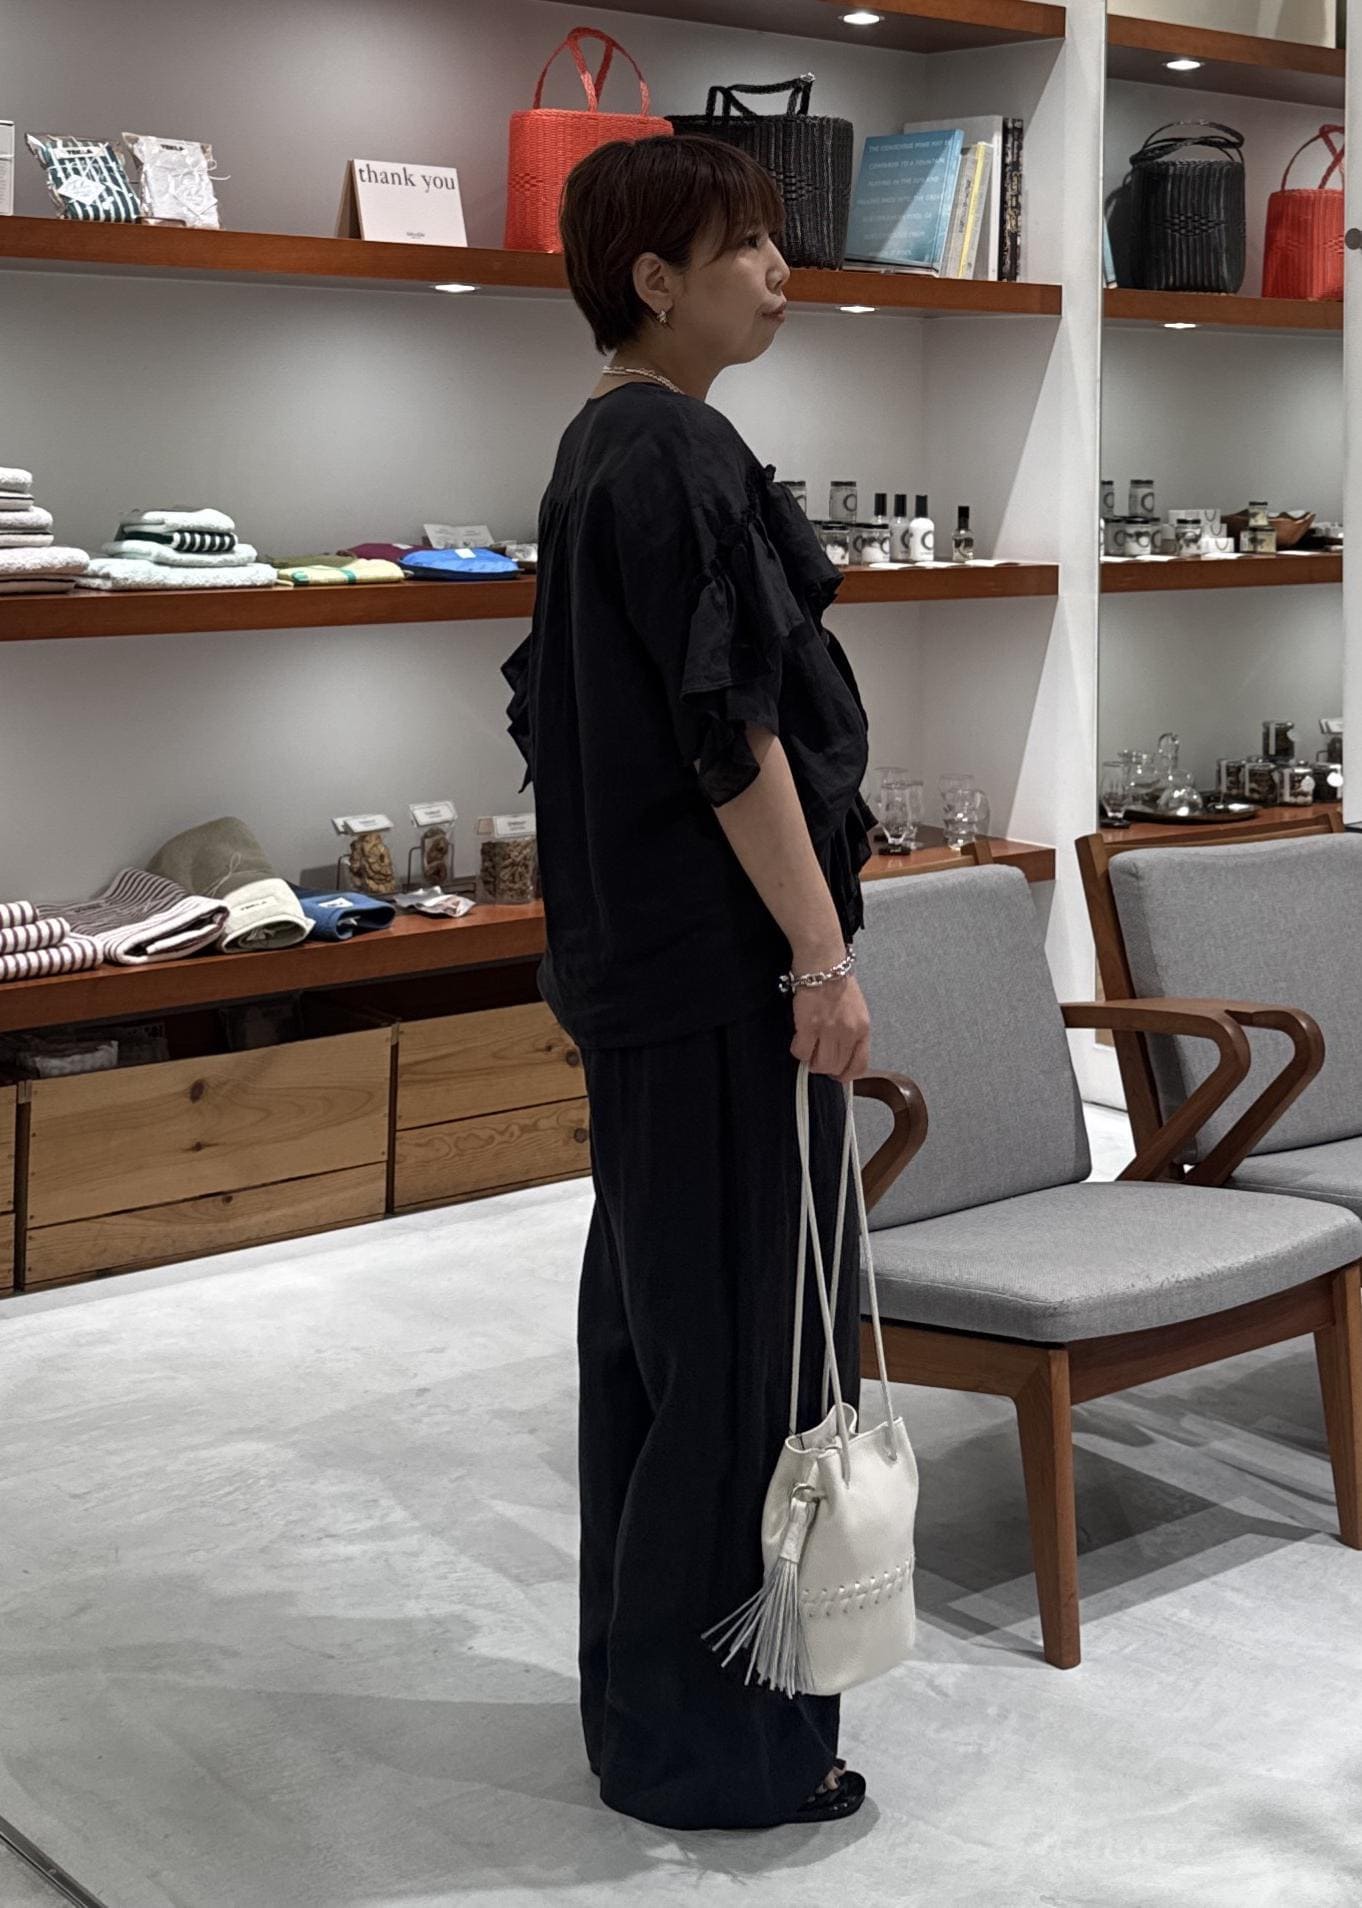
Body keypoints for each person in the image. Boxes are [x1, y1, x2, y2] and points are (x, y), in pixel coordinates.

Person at [501, 134, 878, 1832]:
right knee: (737, 1365)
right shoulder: (669, 449)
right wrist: (818, 955)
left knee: (664, 1354)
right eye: (744, 249)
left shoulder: (608, 442)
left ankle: (654, 1724)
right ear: (655, 279)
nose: (779, 274)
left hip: (648, 981)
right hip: (721, 983)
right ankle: (718, 1757)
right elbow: (730, 741)